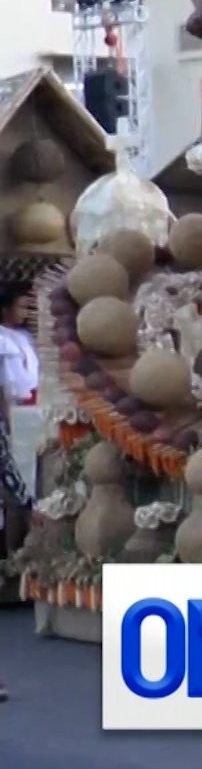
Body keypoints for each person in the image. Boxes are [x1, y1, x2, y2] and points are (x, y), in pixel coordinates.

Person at [0, 286, 38, 705]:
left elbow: (5, 465)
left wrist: (25, 500)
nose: (26, 311)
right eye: (21, 303)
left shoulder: (23, 340)